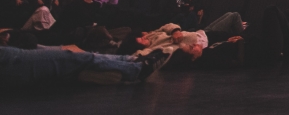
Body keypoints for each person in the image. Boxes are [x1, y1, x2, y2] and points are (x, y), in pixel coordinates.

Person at [0, 44, 166, 86]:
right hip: (10, 61)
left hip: (10, 54)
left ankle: (128, 60)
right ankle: (137, 70)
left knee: (71, 53)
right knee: (73, 57)